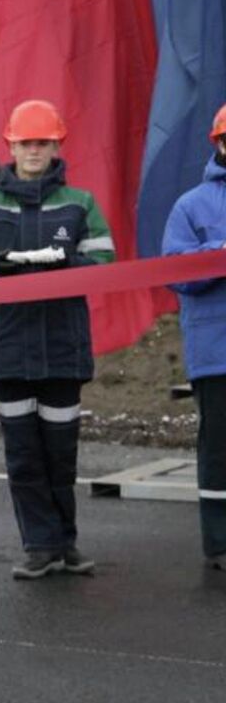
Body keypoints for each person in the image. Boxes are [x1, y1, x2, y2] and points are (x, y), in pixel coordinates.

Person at [0, 98, 115, 579]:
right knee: (23, 454)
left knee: (61, 453)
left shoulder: (80, 204)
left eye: (43, 142)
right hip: (8, 350)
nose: (34, 150)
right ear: (11, 146)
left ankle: (66, 543)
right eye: (26, 143)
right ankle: (40, 547)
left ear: (57, 144)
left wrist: (66, 266)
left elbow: (104, 267)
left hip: (63, 349)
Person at [159, 101, 226, 572]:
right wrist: (218, 253)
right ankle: (220, 542)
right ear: (218, 143)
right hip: (217, 351)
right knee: (219, 446)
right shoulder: (191, 205)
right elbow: (176, 271)